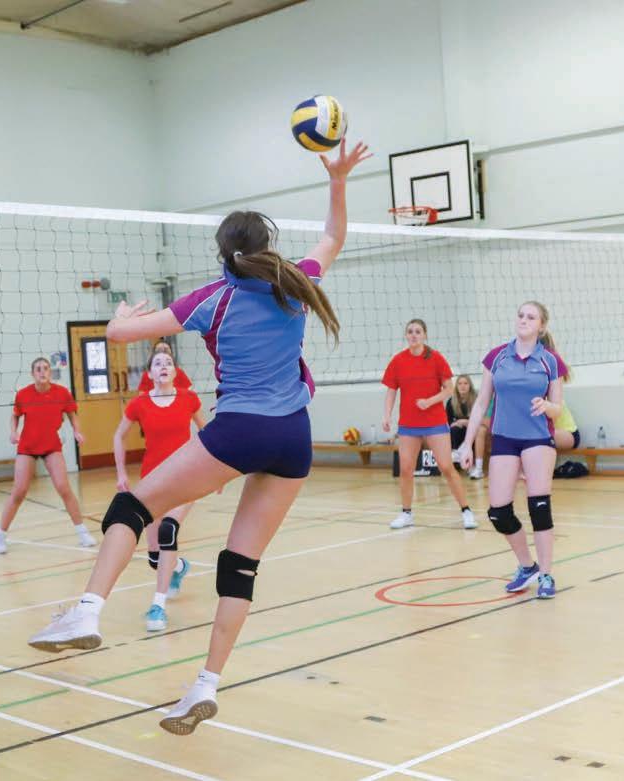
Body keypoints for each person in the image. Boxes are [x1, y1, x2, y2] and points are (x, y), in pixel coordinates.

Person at [28, 139, 371, 736]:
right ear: (267, 246)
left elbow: (119, 336)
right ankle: (205, 684)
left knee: (131, 508)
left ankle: (87, 611)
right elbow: (333, 236)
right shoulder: (295, 282)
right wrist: (337, 180)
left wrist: (118, 318)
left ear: (223, 254)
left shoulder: (212, 298)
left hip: (238, 430)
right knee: (240, 565)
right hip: (294, 436)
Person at [459, 301, 568, 599]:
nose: (523, 320)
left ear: (541, 326)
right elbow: (481, 402)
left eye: (531, 317)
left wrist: (547, 406)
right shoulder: (497, 357)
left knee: (539, 507)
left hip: (537, 439)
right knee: (498, 512)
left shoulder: (550, 361)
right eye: (520, 315)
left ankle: (546, 574)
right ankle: (527, 565)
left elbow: (558, 408)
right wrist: (467, 443)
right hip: (504, 438)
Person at [114, 349, 206, 631]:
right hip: (153, 481)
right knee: (155, 557)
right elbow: (118, 436)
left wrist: (217, 473)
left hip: (186, 478)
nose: (163, 366)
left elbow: (208, 434)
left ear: (175, 371)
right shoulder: (140, 403)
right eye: (157, 363)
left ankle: (158, 606)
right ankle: (178, 567)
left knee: (168, 530)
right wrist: (121, 473)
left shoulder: (188, 399)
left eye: (168, 362)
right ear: (150, 373)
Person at [382, 319, 476, 530]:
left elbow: (449, 389)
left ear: (424, 335)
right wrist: (386, 416)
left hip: (435, 422)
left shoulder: (436, 358)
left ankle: (466, 511)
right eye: (410, 331)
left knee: (446, 467)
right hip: (408, 424)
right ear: (406, 335)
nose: (413, 335)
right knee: (406, 469)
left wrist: (429, 402)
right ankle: (406, 513)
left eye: (418, 331)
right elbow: (391, 391)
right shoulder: (398, 360)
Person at [0, 357, 95, 553]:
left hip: (51, 446)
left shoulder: (62, 393)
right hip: (27, 447)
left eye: (46, 368)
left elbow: (72, 415)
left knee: (64, 488)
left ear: (50, 372)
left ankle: (83, 533)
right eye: (38, 369)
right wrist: (13, 432)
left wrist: (77, 431)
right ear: (33, 374)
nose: (42, 372)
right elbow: (15, 416)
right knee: (19, 491)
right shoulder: (23, 394)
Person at [447, 375, 478, 464]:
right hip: (457, 429)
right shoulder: (451, 401)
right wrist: (454, 423)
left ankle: (467, 459)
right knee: (454, 430)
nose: (462, 386)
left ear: (470, 386)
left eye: (465, 383)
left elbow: (480, 418)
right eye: (460, 384)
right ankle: (455, 456)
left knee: (471, 432)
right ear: (456, 386)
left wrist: (466, 422)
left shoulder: (476, 400)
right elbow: (448, 420)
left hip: (472, 428)